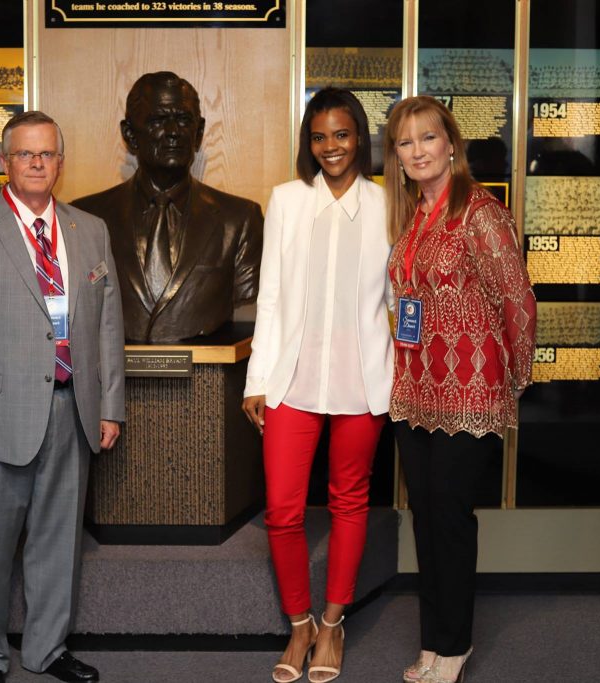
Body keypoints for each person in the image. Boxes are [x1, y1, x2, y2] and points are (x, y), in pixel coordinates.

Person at [0, 111, 125, 683]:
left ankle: (46, 649)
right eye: (25, 154)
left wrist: (110, 405)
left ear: (60, 162)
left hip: (72, 410)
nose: (37, 163)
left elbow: (108, 324)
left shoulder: (90, 230)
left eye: (47, 154)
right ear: (4, 162)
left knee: (59, 544)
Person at [242, 88, 394, 683]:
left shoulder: (388, 204)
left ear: (360, 137)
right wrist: (257, 379)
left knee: (348, 500)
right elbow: (270, 295)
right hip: (292, 379)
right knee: (283, 510)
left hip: (363, 380)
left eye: (342, 134)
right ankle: (299, 623)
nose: (331, 147)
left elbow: (399, 298)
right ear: (309, 143)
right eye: (319, 136)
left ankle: (332, 624)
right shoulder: (286, 200)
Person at [383, 96, 537, 683]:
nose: (418, 150)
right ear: (396, 156)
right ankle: (432, 641)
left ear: (451, 144)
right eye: (405, 142)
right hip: (416, 391)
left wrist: (512, 381)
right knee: (425, 518)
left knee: (449, 518)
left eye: (428, 137)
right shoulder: (413, 216)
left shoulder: (480, 212)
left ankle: (455, 645)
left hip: (471, 393)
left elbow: (517, 299)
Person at [72, 71, 263, 342]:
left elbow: (247, 300)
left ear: (198, 133)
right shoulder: (86, 217)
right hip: (116, 368)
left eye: (184, 120)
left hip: (207, 366)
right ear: (130, 134)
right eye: (158, 120)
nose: (173, 132)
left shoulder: (240, 220)